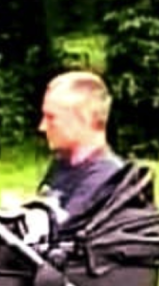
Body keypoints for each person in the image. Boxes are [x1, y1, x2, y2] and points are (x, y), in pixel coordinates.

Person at [36, 71, 125, 222]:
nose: (42, 127)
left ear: (84, 118)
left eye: (51, 117)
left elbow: (65, 230)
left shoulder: (109, 180)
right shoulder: (62, 164)